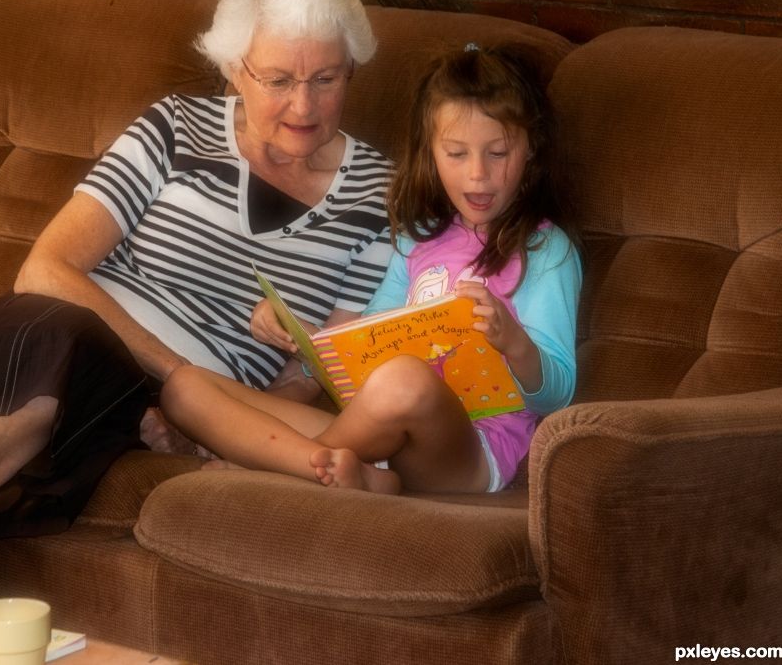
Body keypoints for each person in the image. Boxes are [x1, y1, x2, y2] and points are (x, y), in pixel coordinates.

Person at [0, 0, 395, 589]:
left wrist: (220, 425)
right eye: (279, 80)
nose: (303, 105)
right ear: (235, 69)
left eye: (326, 78)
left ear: (353, 70)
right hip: (75, 333)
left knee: (21, 382)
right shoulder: (174, 127)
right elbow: (45, 268)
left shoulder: (379, 197)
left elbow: (321, 367)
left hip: (169, 391)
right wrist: (175, 371)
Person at [160, 43, 582, 495]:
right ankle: (365, 477)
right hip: (380, 430)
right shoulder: (416, 238)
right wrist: (304, 338)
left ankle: (276, 472)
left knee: (403, 380)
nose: (478, 174)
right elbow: (371, 344)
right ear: (430, 154)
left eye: (497, 153)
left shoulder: (545, 251)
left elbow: (558, 394)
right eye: (457, 154)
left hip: (471, 451)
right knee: (185, 385)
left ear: (530, 152)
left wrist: (512, 342)